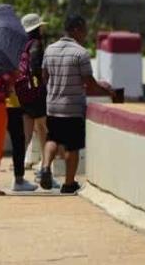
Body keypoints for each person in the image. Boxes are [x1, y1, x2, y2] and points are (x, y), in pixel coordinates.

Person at [40, 14, 118, 194]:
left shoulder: (50, 49)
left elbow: (45, 77)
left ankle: (45, 167)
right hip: (72, 107)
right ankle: (68, 183)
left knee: (52, 138)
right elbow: (89, 83)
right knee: (72, 146)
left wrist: (55, 88)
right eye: (84, 30)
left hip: (52, 105)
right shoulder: (80, 53)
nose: (85, 34)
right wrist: (109, 92)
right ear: (76, 29)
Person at [16, 13, 54, 184]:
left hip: (23, 95)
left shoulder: (20, 46)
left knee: (25, 137)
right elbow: (37, 69)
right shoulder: (37, 44)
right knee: (44, 133)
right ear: (36, 28)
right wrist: (44, 84)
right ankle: (45, 171)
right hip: (37, 95)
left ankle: (17, 178)